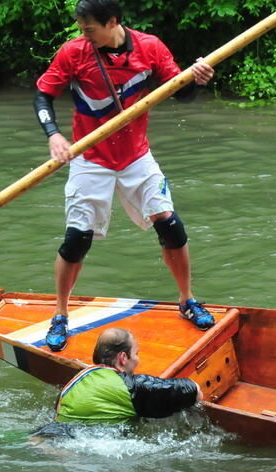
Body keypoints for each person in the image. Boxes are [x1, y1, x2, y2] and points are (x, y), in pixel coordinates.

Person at [34, 0, 216, 353]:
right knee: (77, 240)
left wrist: (197, 80)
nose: (83, 35)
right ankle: (60, 314)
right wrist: (54, 134)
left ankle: (187, 299)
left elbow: (183, 94)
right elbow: (43, 95)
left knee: (171, 224)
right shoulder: (74, 53)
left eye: (89, 28)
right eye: (81, 29)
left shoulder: (150, 47)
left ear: (112, 22)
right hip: (90, 158)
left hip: (136, 157)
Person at [54, 327, 202, 424]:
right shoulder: (130, 386)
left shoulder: (76, 379)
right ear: (123, 358)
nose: (138, 360)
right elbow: (193, 390)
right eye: (136, 354)